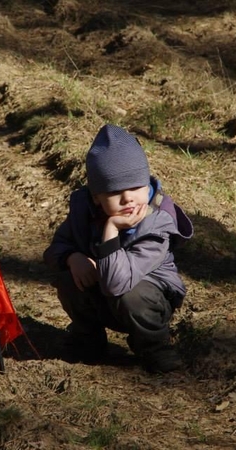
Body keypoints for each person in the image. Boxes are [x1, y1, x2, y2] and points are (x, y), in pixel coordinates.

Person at [43, 124, 193, 373]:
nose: (128, 199)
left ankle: (154, 348)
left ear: (147, 186)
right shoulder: (84, 211)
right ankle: (88, 340)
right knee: (69, 278)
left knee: (131, 294)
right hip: (105, 294)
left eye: (135, 188)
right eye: (114, 192)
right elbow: (53, 250)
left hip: (146, 300)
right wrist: (72, 257)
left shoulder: (157, 224)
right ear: (96, 197)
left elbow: (117, 284)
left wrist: (111, 229)